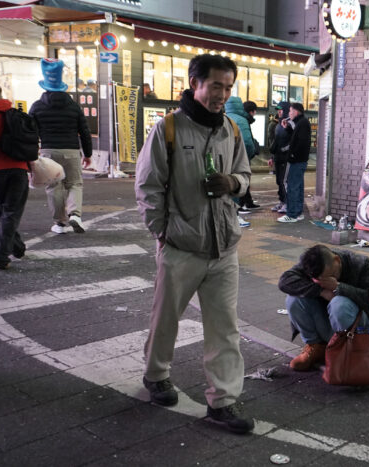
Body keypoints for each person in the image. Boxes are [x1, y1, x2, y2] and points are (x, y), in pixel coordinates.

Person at [135, 54, 254, 434]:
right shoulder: (168, 129)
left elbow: (245, 174)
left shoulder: (231, 129)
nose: (223, 94)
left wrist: (233, 183)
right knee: (166, 317)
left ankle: (223, 401)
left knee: (225, 328)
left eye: (228, 87)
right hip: (181, 246)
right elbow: (148, 186)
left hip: (224, 247)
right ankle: (156, 375)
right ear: (194, 83)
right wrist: (163, 232)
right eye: (216, 85)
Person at [278, 244, 369, 371]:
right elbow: (284, 281)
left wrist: (338, 287)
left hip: (355, 326)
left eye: (331, 276)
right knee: (293, 299)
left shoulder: (360, 263)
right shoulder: (310, 262)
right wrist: (321, 291)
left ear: (337, 260)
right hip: (325, 320)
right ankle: (316, 346)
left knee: (339, 303)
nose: (326, 281)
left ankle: (347, 352)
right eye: (321, 280)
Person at [29, 58, 92, 235]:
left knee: (54, 186)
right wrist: (87, 154)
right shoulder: (73, 106)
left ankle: (60, 223)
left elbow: (30, 133)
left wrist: (32, 156)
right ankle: (75, 214)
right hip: (71, 151)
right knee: (74, 183)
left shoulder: (37, 106)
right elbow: (85, 131)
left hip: (48, 152)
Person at [0, 84, 28, 271]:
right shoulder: (15, 114)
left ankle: (1, 256)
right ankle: (16, 247)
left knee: (3, 214)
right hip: (18, 169)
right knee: (10, 213)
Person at [224, 96, 256, 226]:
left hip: (225, 160)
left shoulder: (224, 117)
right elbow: (248, 143)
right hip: (237, 160)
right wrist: (246, 158)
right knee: (237, 185)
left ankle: (228, 216)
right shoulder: (241, 120)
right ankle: (235, 217)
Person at [276, 102, 310, 223]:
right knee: (298, 186)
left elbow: (301, 142)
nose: (289, 113)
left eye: (290, 111)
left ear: (295, 111)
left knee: (292, 187)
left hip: (297, 160)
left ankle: (291, 214)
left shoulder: (302, 123)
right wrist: (288, 128)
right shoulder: (301, 122)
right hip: (300, 160)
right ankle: (298, 212)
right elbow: (296, 137)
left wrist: (292, 154)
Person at [269, 101, 290, 213]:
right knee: (279, 181)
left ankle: (287, 203)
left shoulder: (290, 124)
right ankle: (282, 201)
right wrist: (272, 157)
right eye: (278, 110)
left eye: (281, 109)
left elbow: (293, 141)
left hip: (286, 158)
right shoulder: (278, 124)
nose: (279, 112)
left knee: (284, 181)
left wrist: (284, 149)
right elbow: (276, 141)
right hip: (278, 157)